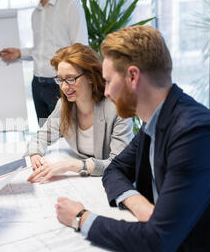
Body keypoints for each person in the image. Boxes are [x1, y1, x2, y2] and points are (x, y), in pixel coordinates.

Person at [55, 26, 210, 252]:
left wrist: (81, 217)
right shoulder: (155, 120)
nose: (105, 92)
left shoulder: (196, 133)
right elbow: (115, 169)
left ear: (133, 76)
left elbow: (157, 241)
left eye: (109, 81)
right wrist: (137, 203)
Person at [25, 43, 133, 183]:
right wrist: (36, 156)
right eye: (60, 79)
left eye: (71, 79)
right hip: (85, 182)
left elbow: (119, 164)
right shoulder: (64, 106)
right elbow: (40, 138)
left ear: (90, 76)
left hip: (114, 182)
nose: (64, 87)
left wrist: (71, 165)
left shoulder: (117, 108)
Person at [0, 0, 88, 126]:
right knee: (46, 137)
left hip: (59, 87)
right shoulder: (36, 14)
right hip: (37, 86)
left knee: (66, 137)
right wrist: (20, 53)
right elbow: (41, 49)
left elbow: (81, 49)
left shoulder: (70, 6)